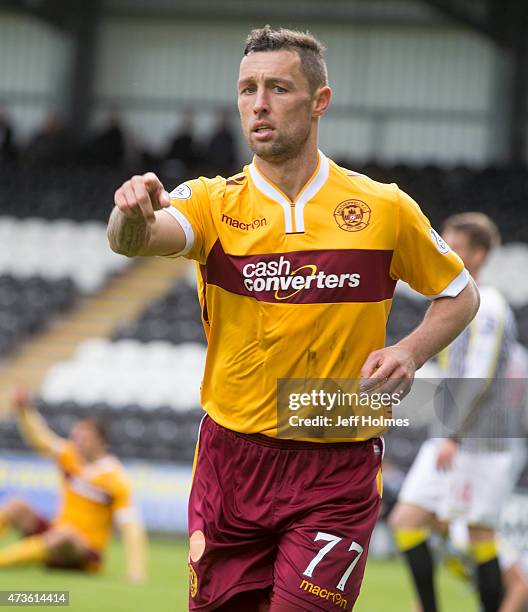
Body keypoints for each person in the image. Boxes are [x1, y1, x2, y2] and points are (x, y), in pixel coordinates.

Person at [107, 26, 479, 611]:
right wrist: (129, 214)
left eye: (278, 88)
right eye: (247, 89)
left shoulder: (383, 207)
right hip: (231, 460)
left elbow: (460, 293)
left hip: (337, 463)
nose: (258, 103)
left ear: (319, 102)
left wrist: (410, 351)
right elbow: (138, 238)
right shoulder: (210, 200)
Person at [390, 213, 519, 612]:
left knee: (480, 532)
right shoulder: (451, 303)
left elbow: (478, 377)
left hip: (483, 442)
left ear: (479, 255)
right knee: (405, 521)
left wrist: (451, 435)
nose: (445, 253)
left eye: (456, 247)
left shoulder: (490, 305)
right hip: (450, 434)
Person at [0, 388, 146, 582]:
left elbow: (131, 527)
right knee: (15, 505)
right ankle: (40, 551)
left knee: (65, 536)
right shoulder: (70, 456)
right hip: (56, 532)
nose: (78, 442)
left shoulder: (115, 477)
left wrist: (136, 571)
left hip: (85, 550)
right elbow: (40, 438)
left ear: (101, 441)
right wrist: (25, 410)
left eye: (85, 438)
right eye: (76, 437)